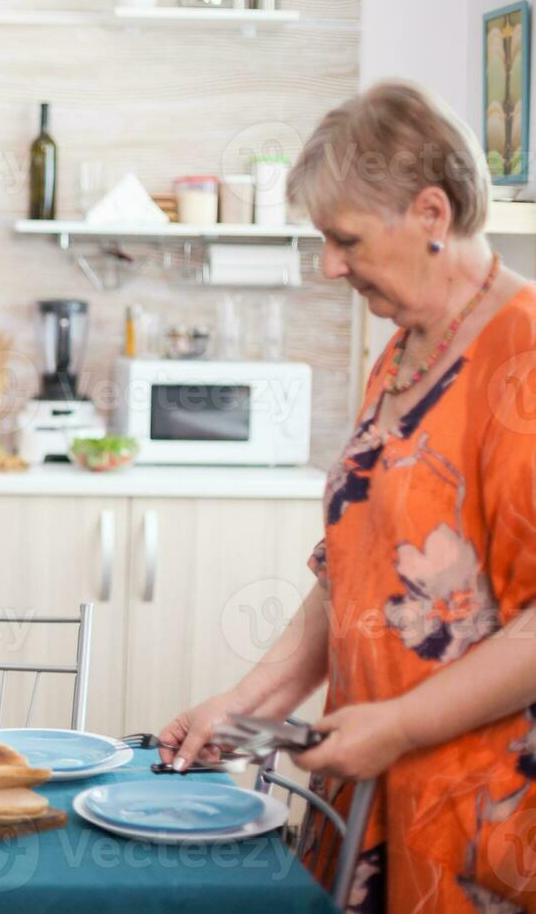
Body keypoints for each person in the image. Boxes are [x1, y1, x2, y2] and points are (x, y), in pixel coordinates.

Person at [157, 81, 536, 911]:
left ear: (432, 215)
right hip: (363, 784)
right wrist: (248, 704)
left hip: (476, 815)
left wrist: (399, 727)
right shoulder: (403, 353)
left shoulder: (524, 358)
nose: (329, 265)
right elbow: (353, 573)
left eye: (345, 240)